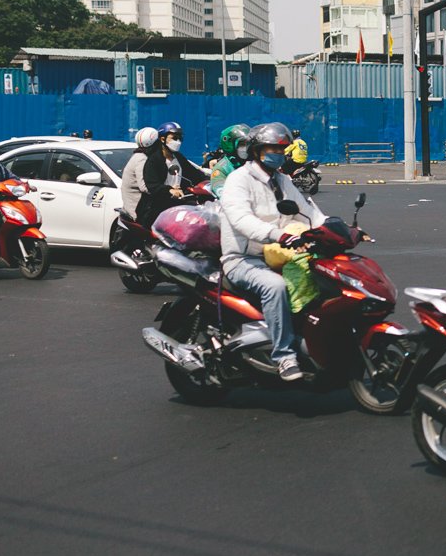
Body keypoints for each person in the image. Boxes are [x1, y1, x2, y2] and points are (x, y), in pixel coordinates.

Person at [219, 122, 325, 382]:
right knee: (275, 287)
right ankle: (284, 356)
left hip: (277, 252)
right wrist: (278, 234)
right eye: (272, 148)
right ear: (256, 151)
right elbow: (240, 218)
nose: (279, 152)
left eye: (281, 148)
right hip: (243, 258)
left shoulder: (281, 179)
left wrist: (338, 230)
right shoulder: (238, 180)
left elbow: (307, 211)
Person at [137, 121, 205, 225]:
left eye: (180, 138)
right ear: (162, 139)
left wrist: (210, 182)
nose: (178, 141)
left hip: (178, 204)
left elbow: (195, 175)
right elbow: (152, 185)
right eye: (174, 138)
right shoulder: (154, 160)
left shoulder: (178, 157)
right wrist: (170, 190)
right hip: (157, 208)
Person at [120, 127, 160, 218]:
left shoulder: (140, 156)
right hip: (139, 211)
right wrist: (168, 190)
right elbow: (145, 186)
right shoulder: (142, 159)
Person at [208, 123, 252, 192]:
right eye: (242, 144)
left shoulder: (254, 162)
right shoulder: (221, 169)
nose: (246, 148)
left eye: (248, 144)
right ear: (230, 145)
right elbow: (220, 191)